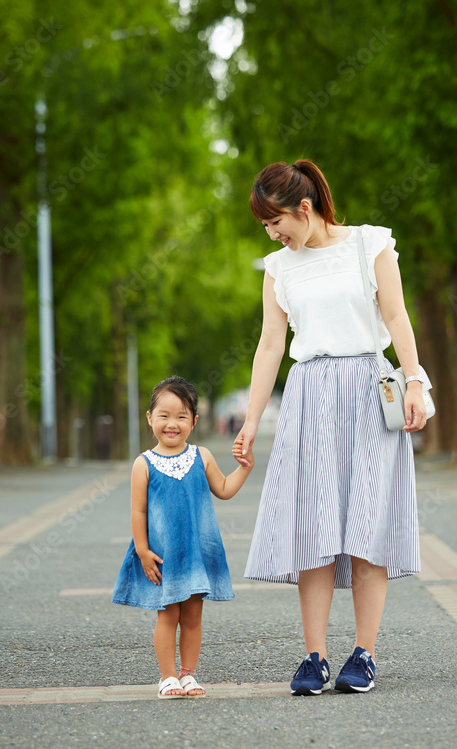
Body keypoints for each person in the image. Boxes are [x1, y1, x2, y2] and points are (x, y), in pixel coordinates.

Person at [233, 160, 429, 696]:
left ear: (305, 207)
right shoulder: (279, 268)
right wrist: (251, 420)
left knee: (366, 526)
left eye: (276, 222)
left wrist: (414, 380)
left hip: (370, 387)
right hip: (309, 394)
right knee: (314, 529)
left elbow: (396, 317)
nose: (272, 234)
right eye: (265, 226)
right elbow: (270, 345)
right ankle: (314, 657)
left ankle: (364, 654)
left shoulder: (370, 244)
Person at [112, 375, 254, 698]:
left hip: (196, 553)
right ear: (150, 418)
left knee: (192, 616)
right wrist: (142, 551)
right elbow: (138, 512)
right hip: (162, 554)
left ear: (194, 421)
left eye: (181, 416)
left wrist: (245, 467)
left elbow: (224, 489)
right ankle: (167, 677)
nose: (172, 424)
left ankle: (189, 674)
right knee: (168, 615)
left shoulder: (202, 456)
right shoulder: (143, 464)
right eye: (164, 415)